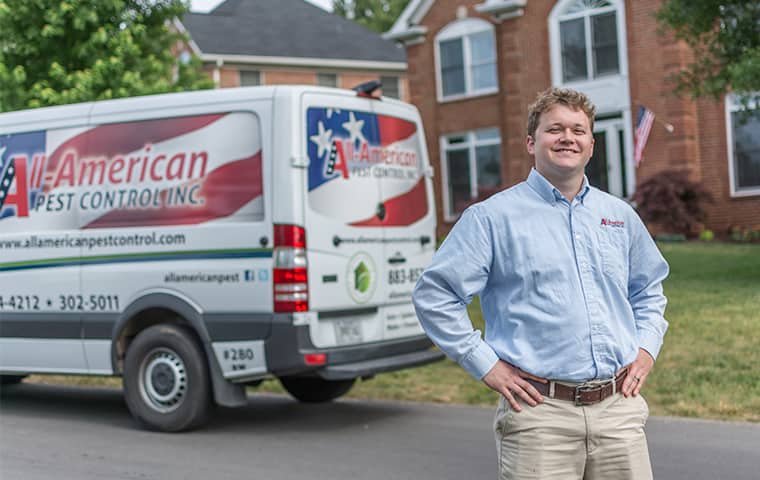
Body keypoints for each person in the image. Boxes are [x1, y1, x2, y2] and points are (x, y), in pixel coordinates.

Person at [412, 87, 668, 479]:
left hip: (619, 412)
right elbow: (435, 296)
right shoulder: (491, 219)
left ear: (591, 145)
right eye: (555, 129)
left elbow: (648, 289)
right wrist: (486, 364)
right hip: (539, 416)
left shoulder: (619, 215)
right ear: (532, 143)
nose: (568, 138)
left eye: (578, 130)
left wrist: (647, 347)